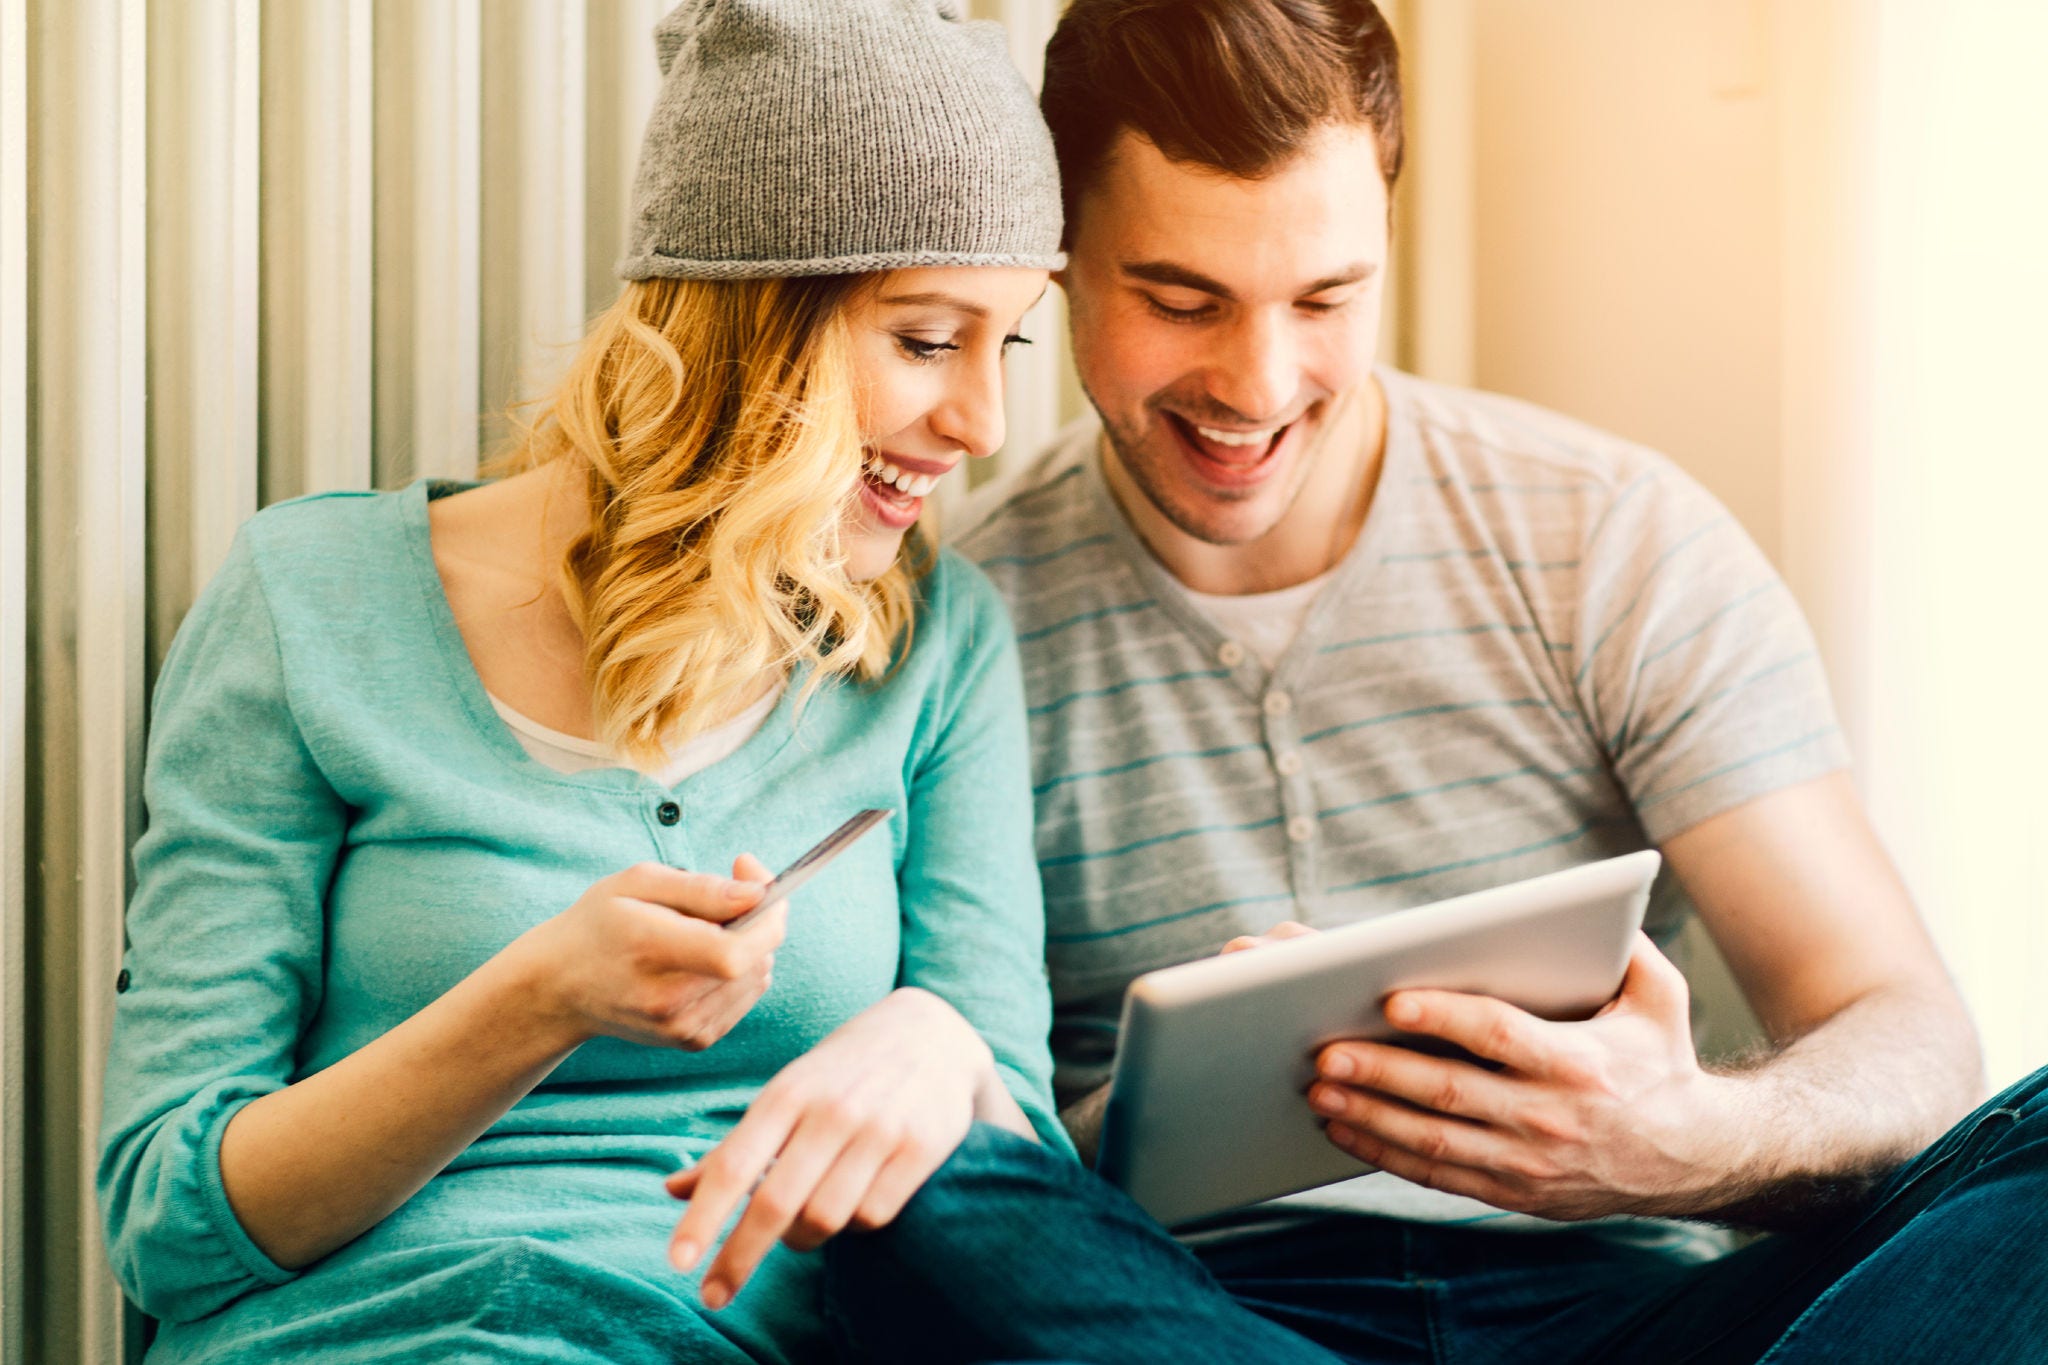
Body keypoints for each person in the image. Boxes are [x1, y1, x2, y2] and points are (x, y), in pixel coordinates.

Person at [858, 0, 2046, 1361]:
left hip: (1630, 1306)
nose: (1257, 382)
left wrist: (1677, 1136)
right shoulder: (951, 615)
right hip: (1195, 1314)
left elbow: (1903, 1031)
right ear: (1060, 265)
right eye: (1182, 300)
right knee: (921, 1194)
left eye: (1325, 299)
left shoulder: (1608, 539)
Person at [96, 4, 1080, 1360]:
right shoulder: (306, 599)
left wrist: (941, 1046)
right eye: (926, 339)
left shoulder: (935, 645)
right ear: (751, 322)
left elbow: (1027, 1197)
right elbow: (167, 1223)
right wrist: (539, 995)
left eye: (1009, 341)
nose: (983, 423)